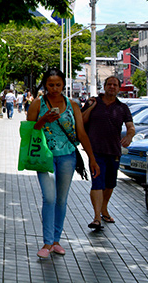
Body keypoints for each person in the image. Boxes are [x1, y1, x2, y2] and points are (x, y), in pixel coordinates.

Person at [27, 68, 100, 259]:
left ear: (63, 85)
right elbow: (28, 130)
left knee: (61, 199)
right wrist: (43, 119)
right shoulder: (38, 103)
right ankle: (47, 242)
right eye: (50, 85)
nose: (54, 88)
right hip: (45, 157)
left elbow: (81, 133)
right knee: (49, 198)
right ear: (45, 85)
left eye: (58, 85)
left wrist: (92, 158)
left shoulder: (73, 105)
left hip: (68, 156)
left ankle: (56, 240)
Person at [81, 76, 135, 231]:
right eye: (109, 84)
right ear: (103, 86)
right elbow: (81, 121)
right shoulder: (93, 102)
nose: (112, 87)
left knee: (110, 184)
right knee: (97, 182)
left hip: (114, 151)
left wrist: (129, 136)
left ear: (118, 88)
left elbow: (131, 127)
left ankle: (104, 209)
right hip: (95, 151)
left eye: (115, 84)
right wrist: (90, 107)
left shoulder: (122, 107)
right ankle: (97, 217)